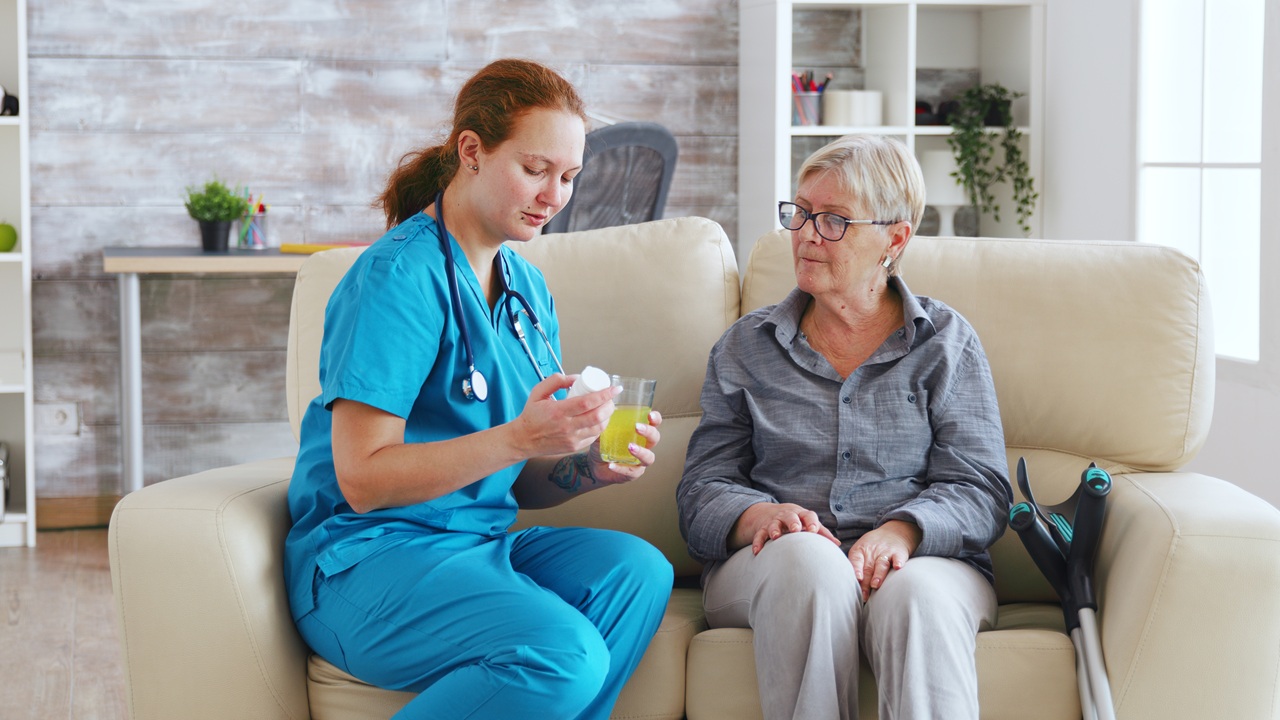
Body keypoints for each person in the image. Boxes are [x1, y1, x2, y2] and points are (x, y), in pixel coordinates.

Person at [283, 58, 673, 720]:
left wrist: (586, 467)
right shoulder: (396, 280)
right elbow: (364, 479)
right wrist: (521, 435)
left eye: (570, 177)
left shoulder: (527, 290)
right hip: (365, 560)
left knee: (637, 572)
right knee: (566, 653)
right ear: (471, 151)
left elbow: (517, 482)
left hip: (473, 545)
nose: (554, 194)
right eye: (535, 169)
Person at [677, 134, 1012, 720]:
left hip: (919, 562)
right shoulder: (745, 348)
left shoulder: (947, 342)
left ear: (895, 238)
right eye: (801, 213)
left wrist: (904, 531)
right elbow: (700, 492)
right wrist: (757, 515)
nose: (806, 233)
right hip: (779, 563)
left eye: (833, 220)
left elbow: (981, 489)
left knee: (919, 598)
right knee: (810, 564)